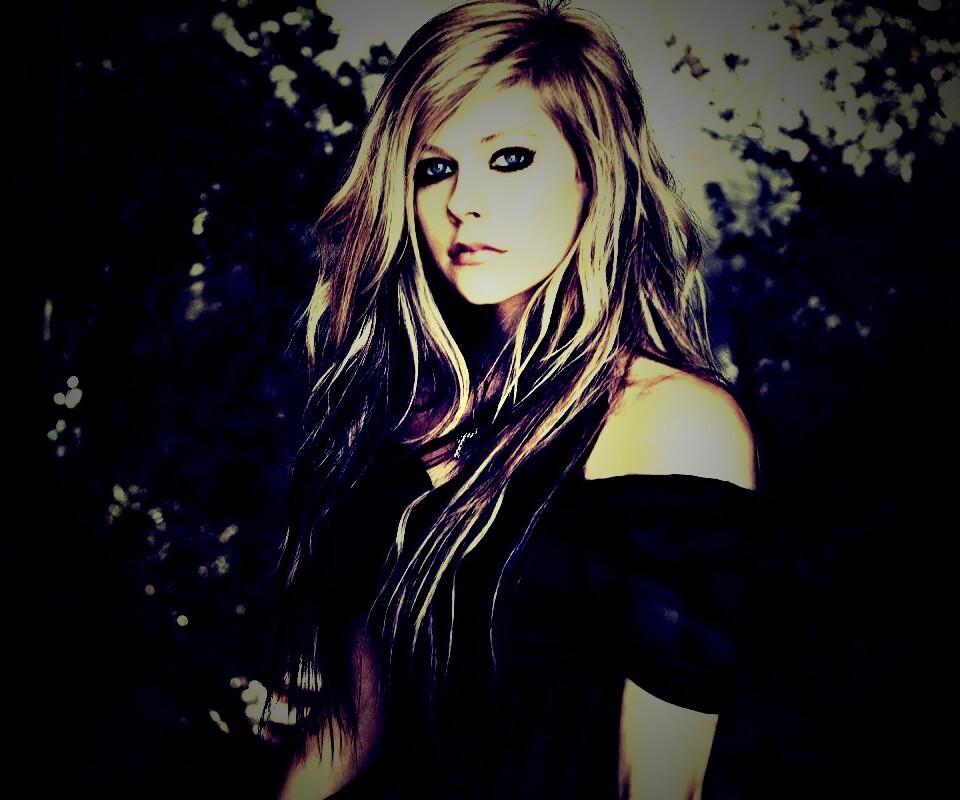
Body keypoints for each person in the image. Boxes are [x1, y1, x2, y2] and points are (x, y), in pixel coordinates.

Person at [252, 1, 798, 797]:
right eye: (434, 169)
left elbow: (658, 782)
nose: (460, 203)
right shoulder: (411, 416)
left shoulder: (669, 422)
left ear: (593, 175)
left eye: (509, 158)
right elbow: (350, 725)